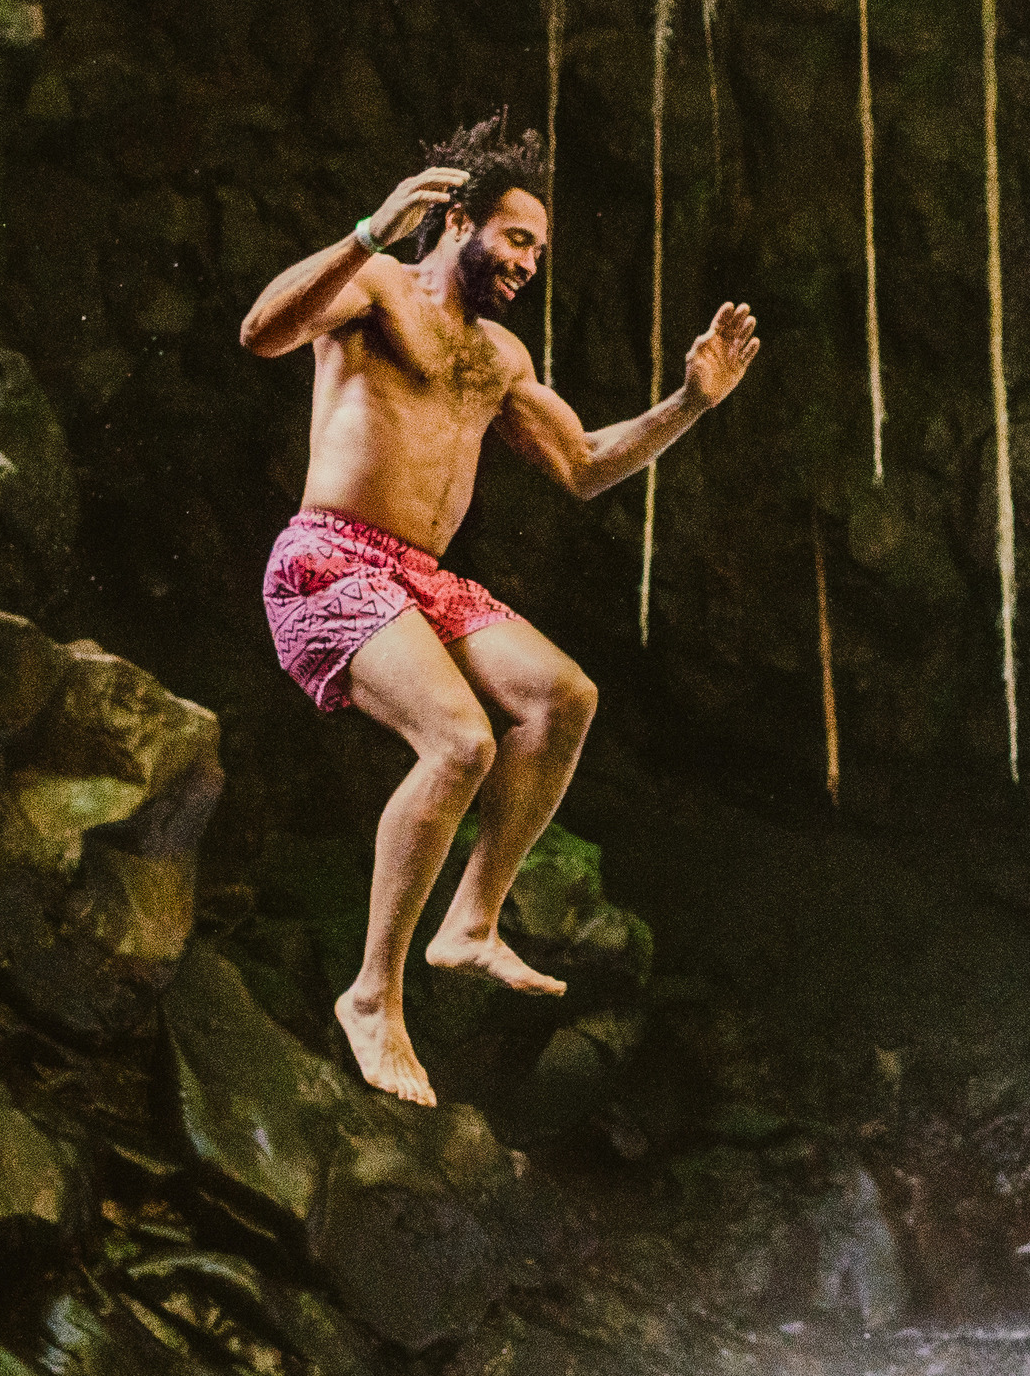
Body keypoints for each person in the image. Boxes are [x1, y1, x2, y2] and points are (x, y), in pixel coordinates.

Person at [238, 114, 760, 1107]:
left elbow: (585, 466)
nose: (527, 263)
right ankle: (371, 996)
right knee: (460, 741)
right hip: (328, 558)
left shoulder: (500, 359)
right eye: (517, 239)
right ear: (458, 220)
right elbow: (261, 332)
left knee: (563, 696)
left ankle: (470, 921)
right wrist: (368, 230)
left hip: (419, 576)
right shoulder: (378, 288)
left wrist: (689, 403)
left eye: (538, 251)